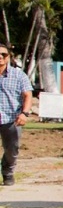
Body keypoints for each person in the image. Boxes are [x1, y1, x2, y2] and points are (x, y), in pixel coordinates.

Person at [0, 43, 32, 186]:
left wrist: (24, 113)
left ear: (8, 57)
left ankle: (8, 172)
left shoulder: (19, 75)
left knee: (12, 150)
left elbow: (28, 96)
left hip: (11, 120)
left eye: (3, 55)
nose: (0, 57)